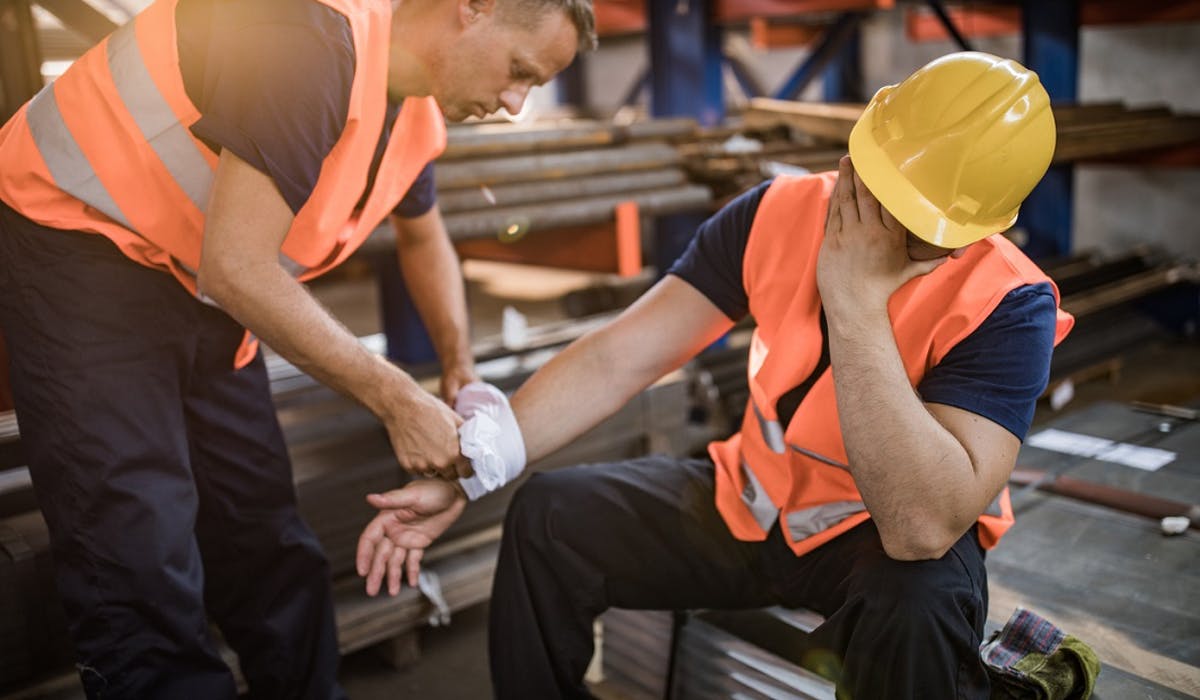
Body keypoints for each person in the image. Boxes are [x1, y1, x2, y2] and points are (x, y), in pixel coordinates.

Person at [357, 51, 1075, 699]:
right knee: (548, 517)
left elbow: (921, 526)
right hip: (748, 507)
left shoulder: (1009, 304)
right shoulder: (774, 214)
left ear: (975, 231)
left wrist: (855, 302)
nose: (880, 223)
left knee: (919, 603)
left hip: (874, 547)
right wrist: (472, 467)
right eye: (875, 188)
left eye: (914, 221)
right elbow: (620, 356)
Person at [0, 0, 595, 696]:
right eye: (519, 71)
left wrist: (458, 371)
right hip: (79, 241)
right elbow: (238, 268)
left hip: (198, 278)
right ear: (472, 9)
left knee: (266, 537)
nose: (516, 104)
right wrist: (397, 398)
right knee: (138, 554)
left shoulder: (412, 107)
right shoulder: (308, 37)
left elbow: (421, 233)